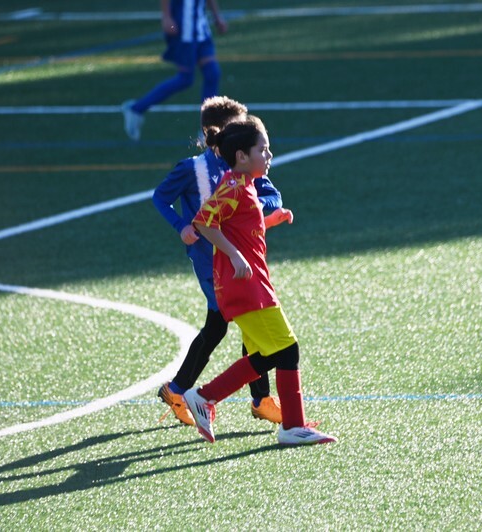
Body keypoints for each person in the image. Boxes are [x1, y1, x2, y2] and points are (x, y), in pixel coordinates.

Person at [184, 116, 336, 446]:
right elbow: (203, 222)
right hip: (245, 285)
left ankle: (207, 398)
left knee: (270, 354)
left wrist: (270, 221)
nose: (269, 156)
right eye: (262, 150)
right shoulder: (234, 186)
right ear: (241, 156)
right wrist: (234, 256)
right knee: (287, 349)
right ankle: (288, 425)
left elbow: (242, 228)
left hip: (250, 283)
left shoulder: (245, 186)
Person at [153, 96, 293, 427]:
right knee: (232, 323)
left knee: (231, 325)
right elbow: (161, 197)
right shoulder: (194, 169)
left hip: (241, 257)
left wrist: (254, 206)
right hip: (209, 261)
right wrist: (181, 226)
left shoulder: (244, 170)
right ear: (211, 133)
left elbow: (272, 196)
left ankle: (187, 390)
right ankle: (236, 396)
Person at [122, 0, 228, 141]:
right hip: (182, 29)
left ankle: (208, 128)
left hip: (201, 28)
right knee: (185, 79)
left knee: (212, 74)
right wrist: (166, 17)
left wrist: (217, 17)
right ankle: (136, 108)